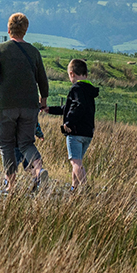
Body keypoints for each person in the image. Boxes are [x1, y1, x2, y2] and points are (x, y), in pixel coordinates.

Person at [0, 12, 49, 192]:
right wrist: (43, 100)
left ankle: (11, 184)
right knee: (26, 143)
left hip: (5, 104)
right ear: (26, 30)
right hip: (30, 105)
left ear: (8, 29)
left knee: (6, 144)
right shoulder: (34, 52)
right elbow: (42, 80)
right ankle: (39, 170)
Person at [45, 57, 100, 191]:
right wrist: (50, 109)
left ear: (71, 74)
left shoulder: (76, 88)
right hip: (88, 132)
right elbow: (69, 108)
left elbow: (77, 107)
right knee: (78, 161)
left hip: (75, 131)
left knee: (75, 162)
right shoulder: (89, 91)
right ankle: (74, 188)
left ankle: (85, 189)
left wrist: (68, 122)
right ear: (86, 74)